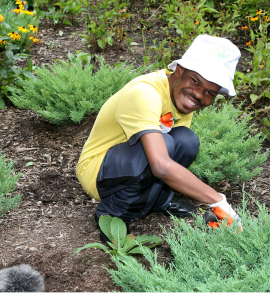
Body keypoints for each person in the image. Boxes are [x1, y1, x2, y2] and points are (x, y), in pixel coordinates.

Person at [76, 34, 242, 238]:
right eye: (196, 81)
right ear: (179, 70)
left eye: (210, 93)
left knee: (186, 141)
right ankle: (113, 215)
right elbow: (161, 165)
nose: (199, 95)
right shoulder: (145, 93)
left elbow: (171, 151)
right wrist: (217, 200)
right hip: (98, 170)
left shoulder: (178, 97)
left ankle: (158, 200)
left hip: (128, 163)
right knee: (163, 145)